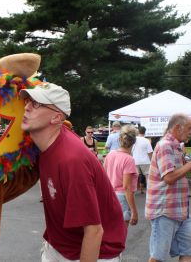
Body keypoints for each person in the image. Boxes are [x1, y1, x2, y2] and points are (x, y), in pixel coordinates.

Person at [20, 83, 126, 261]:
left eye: (37, 104)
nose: (27, 106)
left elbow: (94, 231)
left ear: (56, 117)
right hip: (59, 245)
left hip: (92, 253)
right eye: (28, 100)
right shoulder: (43, 145)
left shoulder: (72, 160)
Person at [145, 113, 191, 262]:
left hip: (180, 210)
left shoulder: (176, 146)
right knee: (158, 257)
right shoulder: (165, 145)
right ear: (178, 127)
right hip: (165, 210)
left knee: (188, 251)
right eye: (190, 128)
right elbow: (169, 177)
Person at [104, 124, 139, 227]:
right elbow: (127, 187)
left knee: (111, 233)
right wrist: (134, 211)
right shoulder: (128, 159)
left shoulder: (110, 154)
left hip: (109, 196)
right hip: (121, 199)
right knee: (121, 234)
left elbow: (104, 176)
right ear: (134, 141)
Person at [132, 126, 153, 194]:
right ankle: (149, 191)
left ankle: (133, 191)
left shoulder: (134, 140)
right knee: (147, 177)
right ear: (145, 132)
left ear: (138, 131)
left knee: (135, 177)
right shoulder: (147, 141)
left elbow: (131, 150)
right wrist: (152, 160)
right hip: (145, 161)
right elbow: (150, 152)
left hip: (135, 160)